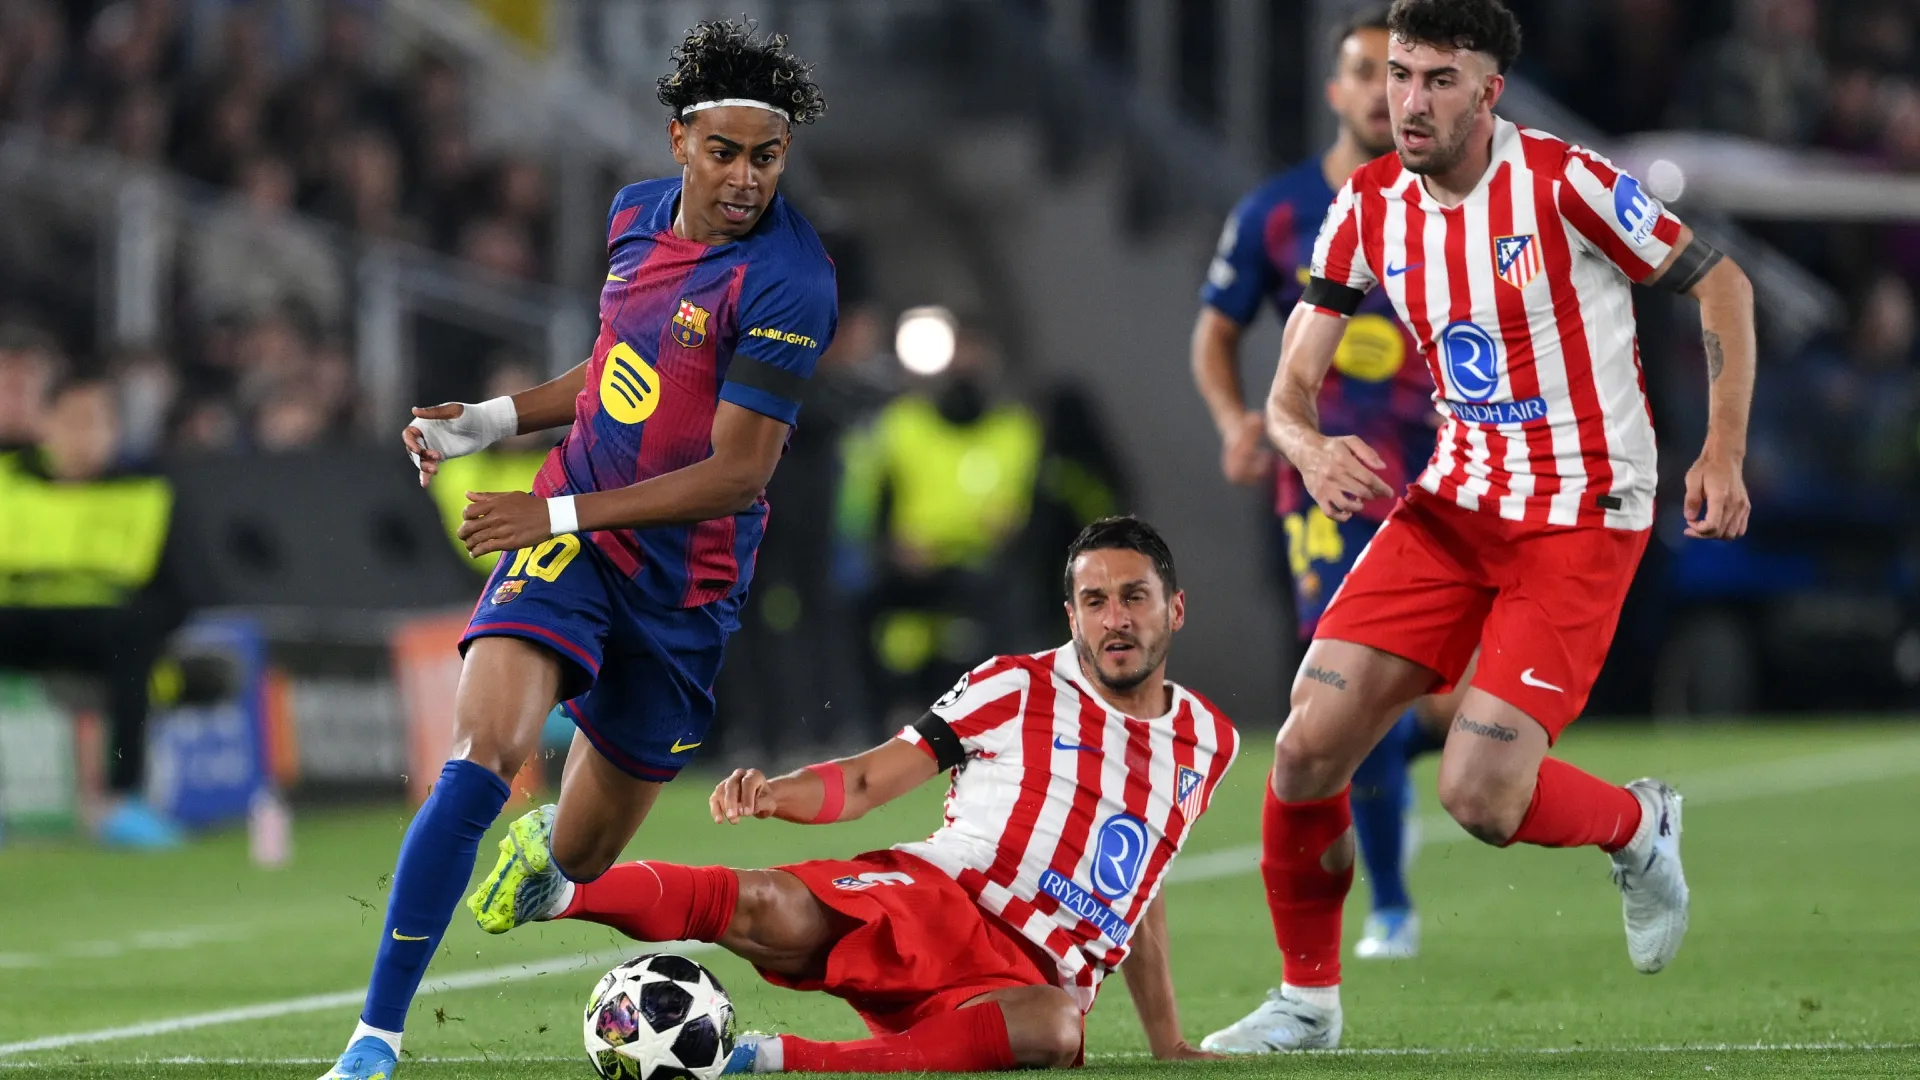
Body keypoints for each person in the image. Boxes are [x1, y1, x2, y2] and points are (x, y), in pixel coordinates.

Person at [1202, 0, 1755, 1053]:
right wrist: (1311, 449)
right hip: (1454, 505)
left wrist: (1721, 450)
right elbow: (1288, 390)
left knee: (1481, 795)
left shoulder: (1564, 182)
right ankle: (1307, 1005)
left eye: (1436, 79)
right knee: (1308, 747)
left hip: (1580, 511)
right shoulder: (1364, 206)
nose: (1405, 99)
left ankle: (1640, 827)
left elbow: (1719, 281)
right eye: (1398, 74)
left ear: (1488, 91)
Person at [317, 21, 837, 1080]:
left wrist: (549, 516)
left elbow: (740, 473)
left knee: (582, 857)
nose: (746, 180)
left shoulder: (790, 282)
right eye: (724, 153)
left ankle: (552, 866)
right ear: (679, 139)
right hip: (581, 539)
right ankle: (373, 1041)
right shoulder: (635, 217)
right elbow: (616, 365)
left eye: (766, 157)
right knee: (481, 758)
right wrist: (495, 422)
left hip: (684, 591)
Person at [471, 517, 1236, 1073]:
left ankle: (777, 1061)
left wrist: (1165, 1039)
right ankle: (564, 891)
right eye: (1095, 602)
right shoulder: (1016, 685)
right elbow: (872, 778)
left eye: (1134, 597)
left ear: (1175, 607)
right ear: (1071, 617)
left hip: (1025, 986)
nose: (1116, 620)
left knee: (1058, 1028)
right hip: (940, 901)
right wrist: (777, 795)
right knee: (768, 907)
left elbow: (1146, 884)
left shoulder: (1210, 742)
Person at [1189, 5, 1459, 962]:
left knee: (1466, 710)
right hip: (1330, 490)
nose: (1391, 94)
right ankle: (1390, 905)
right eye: (1369, 72)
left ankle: (1422, 745)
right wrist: (1237, 422)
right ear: (1339, 90)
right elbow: (1215, 331)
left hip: (1459, 479)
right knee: (1353, 696)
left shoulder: (1463, 200)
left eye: (1409, 74)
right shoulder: (1277, 213)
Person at [0, 376, 189, 847]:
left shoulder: (148, 492)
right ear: (44, 424)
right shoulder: (8, 481)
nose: (86, 436)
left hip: (103, 627)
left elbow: (182, 590)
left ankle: (122, 801)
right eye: (74, 422)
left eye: (99, 423)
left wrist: (150, 626)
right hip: (17, 619)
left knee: (134, 632)